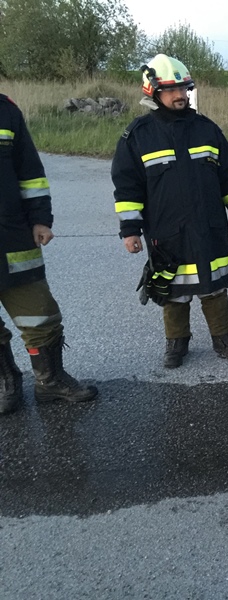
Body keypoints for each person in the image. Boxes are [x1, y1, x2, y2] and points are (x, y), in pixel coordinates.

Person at [112, 54, 228, 368]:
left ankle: (224, 339)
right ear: (153, 92)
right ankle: (177, 343)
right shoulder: (138, 136)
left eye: (184, 89)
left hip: (208, 225)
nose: (180, 95)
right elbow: (127, 188)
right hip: (166, 229)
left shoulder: (207, 129)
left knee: (214, 284)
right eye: (172, 90)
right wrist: (130, 230)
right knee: (172, 288)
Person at [0, 94, 98, 414]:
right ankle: (5, 382)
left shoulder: (6, 112)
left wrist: (41, 218)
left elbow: (30, 173)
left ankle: (50, 381)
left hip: (11, 234)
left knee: (39, 314)